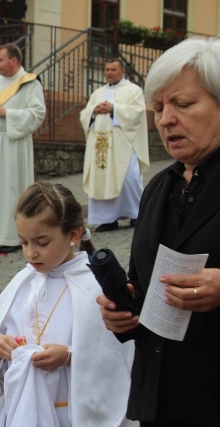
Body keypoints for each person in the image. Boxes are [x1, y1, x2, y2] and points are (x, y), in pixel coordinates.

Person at [97, 37, 220, 426]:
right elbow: (143, 281)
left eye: (182, 105)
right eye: (158, 107)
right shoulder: (157, 188)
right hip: (159, 397)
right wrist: (126, 311)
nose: (165, 119)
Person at [0, 182, 130, 426]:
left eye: (42, 243)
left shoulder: (95, 286)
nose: (31, 253)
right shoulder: (23, 282)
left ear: (73, 235)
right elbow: (0, 331)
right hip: (21, 407)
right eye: (24, 242)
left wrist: (69, 355)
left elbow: (118, 353)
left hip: (71, 411)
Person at [0, 43, 46, 254]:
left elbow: (38, 114)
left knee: (10, 190)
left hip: (15, 145)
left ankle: (12, 236)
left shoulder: (30, 83)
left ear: (13, 61)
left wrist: (8, 114)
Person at [80, 58, 150, 232]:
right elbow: (84, 114)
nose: (109, 73)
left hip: (123, 144)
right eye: (107, 70)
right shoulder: (97, 93)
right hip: (100, 145)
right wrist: (93, 111)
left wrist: (114, 109)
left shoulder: (133, 90)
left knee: (129, 178)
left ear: (122, 71)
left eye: (113, 69)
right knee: (102, 180)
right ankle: (108, 219)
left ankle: (135, 214)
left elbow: (138, 112)